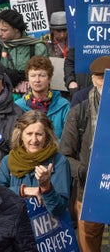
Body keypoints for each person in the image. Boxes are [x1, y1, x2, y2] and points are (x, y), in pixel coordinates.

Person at [59, 55, 110, 252]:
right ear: (92, 79)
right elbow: (64, 154)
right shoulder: (79, 112)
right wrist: (85, 172)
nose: (104, 83)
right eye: (100, 77)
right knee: (88, 242)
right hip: (88, 191)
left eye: (108, 77)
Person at [0, 110, 71, 217]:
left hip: (47, 228)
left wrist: (46, 188)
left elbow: (59, 209)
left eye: (39, 134)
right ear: (21, 135)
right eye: (29, 134)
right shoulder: (9, 160)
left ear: (47, 136)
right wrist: (23, 190)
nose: (34, 140)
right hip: (14, 224)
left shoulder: (59, 162)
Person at [0, 8, 47, 92]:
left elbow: (43, 74)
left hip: (30, 95)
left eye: (4, 30)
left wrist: (21, 77)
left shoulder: (37, 47)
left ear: (16, 29)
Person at [15, 55, 70, 138]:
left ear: (50, 78)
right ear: (28, 79)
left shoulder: (64, 106)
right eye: (33, 76)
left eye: (42, 75)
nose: (37, 80)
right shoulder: (18, 106)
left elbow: (67, 140)